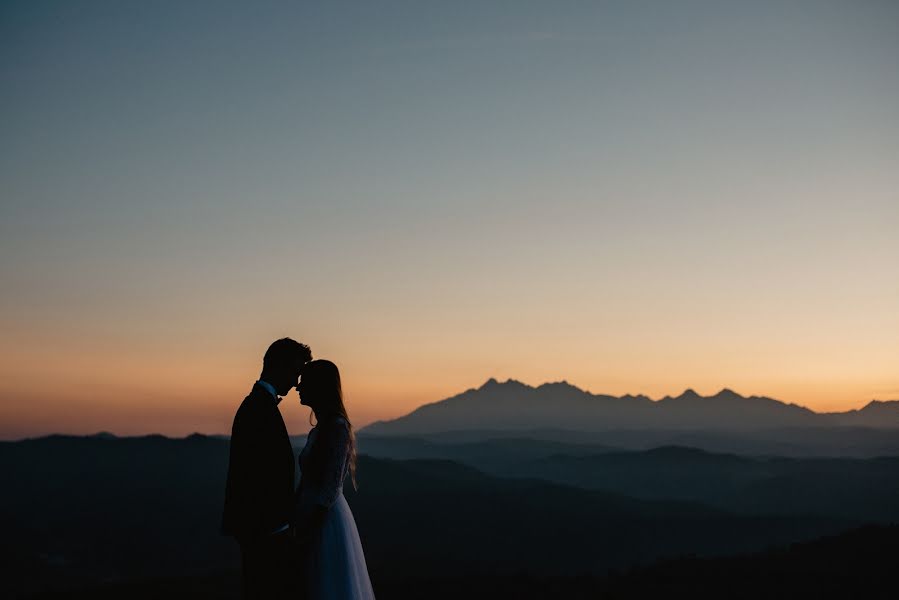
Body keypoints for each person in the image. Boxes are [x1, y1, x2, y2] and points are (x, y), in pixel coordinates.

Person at [222, 337, 313, 599]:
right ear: (280, 366)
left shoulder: (258, 405)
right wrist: (276, 526)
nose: (296, 382)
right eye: (295, 372)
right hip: (263, 527)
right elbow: (254, 474)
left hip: (263, 526)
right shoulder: (257, 408)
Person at [294, 359, 376, 600]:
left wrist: (309, 528)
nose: (298, 388)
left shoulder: (336, 429)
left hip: (325, 520)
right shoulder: (320, 429)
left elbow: (329, 489)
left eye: (305, 383)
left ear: (319, 387)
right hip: (311, 513)